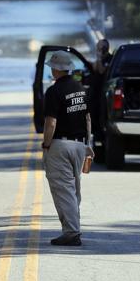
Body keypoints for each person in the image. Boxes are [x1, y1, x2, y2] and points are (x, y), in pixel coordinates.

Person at [42, 51, 93, 246]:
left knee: (63, 190)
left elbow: (51, 123)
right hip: (79, 144)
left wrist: (46, 145)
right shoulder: (81, 89)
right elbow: (88, 118)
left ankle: (71, 233)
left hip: (60, 145)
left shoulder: (54, 91)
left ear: (56, 69)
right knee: (73, 189)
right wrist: (87, 144)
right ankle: (72, 228)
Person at [88, 39, 112, 145]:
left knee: (102, 116)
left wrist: (99, 57)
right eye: (98, 47)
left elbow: (102, 70)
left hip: (104, 93)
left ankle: (102, 138)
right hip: (96, 94)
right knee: (94, 116)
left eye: (100, 47)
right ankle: (97, 136)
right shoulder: (100, 59)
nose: (98, 49)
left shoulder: (109, 59)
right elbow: (94, 69)